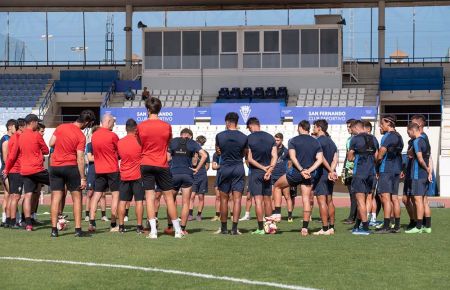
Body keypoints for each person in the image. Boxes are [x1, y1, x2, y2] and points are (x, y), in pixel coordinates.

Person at [137, 97, 182, 239]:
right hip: (162, 164)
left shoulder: (141, 126)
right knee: (169, 198)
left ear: (148, 109)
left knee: (149, 198)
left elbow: (140, 143)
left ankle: (153, 232)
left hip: (146, 163)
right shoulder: (166, 126)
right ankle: (178, 231)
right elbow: (168, 142)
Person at [269, 120, 323, 237]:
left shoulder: (293, 140)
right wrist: (309, 170)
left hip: (297, 173)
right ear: (308, 128)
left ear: (300, 127)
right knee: (306, 199)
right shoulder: (316, 142)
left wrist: (302, 169)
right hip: (309, 174)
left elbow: (292, 157)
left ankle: (277, 213)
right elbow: (320, 159)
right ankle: (304, 228)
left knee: (277, 186)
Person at [49, 110, 95, 237]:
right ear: (86, 122)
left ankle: (54, 230)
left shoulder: (61, 127)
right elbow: (80, 158)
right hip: (70, 167)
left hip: (55, 166)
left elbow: (51, 143)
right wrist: (83, 178)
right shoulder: (81, 136)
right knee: (77, 198)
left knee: (56, 198)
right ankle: (78, 229)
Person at [8, 114, 49, 231]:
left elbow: (13, 155)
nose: (37, 124)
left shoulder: (19, 137)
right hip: (37, 169)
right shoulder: (36, 135)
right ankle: (59, 217)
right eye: (37, 122)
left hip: (24, 170)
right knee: (58, 185)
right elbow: (46, 151)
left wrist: (7, 169)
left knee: (28, 195)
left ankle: (28, 224)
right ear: (33, 122)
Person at [169, 128, 207, 235]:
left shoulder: (173, 141)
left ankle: (171, 226)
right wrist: (197, 168)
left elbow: (167, 157)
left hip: (174, 174)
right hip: (187, 174)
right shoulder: (192, 143)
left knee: (171, 201)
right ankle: (182, 229)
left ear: (181, 134)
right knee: (186, 202)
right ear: (189, 136)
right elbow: (204, 155)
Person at [215, 112, 248, 235]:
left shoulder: (219, 136)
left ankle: (224, 228)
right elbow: (245, 154)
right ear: (237, 122)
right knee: (237, 199)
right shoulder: (244, 137)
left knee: (224, 199)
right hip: (238, 167)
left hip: (225, 168)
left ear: (227, 122)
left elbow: (218, 152)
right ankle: (234, 229)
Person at [89, 113, 120, 232]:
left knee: (96, 195)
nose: (114, 124)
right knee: (115, 195)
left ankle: (92, 222)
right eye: (113, 122)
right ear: (108, 121)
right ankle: (113, 223)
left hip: (99, 169)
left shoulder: (94, 136)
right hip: (112, 169)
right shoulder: (113, 136)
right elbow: (119, 152)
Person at [347, 120, 379, 235]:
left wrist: (355, 156)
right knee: (368, 199)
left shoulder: (354, 139)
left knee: (360, 201)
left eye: (351, 129)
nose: (351, 131)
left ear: (356, 128)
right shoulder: (373, 139)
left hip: (360, 173)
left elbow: (350, 158)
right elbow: (377, 156)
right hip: (371, 173)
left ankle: (365, 227)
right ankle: (357, 225)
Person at [246, 117, 277, 235]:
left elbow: (250, 159)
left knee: (258, 200)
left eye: (249, 128)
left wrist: (262, 168)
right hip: (268, 171)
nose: (249, 130)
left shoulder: (249, 138)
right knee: (268, 199)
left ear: (251, 125)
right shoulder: (270, 137)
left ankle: (260, 228)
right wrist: (269, 169)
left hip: (256, 172)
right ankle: (270, 227)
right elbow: (274, 156)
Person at [375, 115, 404, 234]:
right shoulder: (399, 137)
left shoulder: (388, 136)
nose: (381, 126)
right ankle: (396, 225)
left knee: (385, 198)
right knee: (395, 198)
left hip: (386, 169)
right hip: (396, 169)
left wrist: (377, 161)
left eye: (382, 124)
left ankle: (386, 225)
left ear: (389, 123)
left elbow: (382, 151)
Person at [117, 119, 145, 234]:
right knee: (139, 201)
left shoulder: (120, 142)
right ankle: (139, 226)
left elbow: (119, 156)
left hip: (124, 175)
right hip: (138, 175)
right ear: (136, 128)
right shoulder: (140, 141)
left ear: (126, 128)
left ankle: (121, 226)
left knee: (122, 201)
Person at [405, 122, 432, 234]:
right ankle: (428, 227)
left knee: (418, 200)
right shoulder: (425, 140)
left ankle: (419, 226)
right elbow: (428, 157)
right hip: (425, 175)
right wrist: (429, 172)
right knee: (425, 201)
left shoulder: (416, 141)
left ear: (413, 130)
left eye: (408, 132)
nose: (408, 135)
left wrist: (426, 169)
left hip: (417, 174)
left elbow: (420, 159)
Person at [312, 120, 338, 236]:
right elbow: (335, 158)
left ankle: (325, 228)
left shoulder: (317, 142)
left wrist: (329, 171)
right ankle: (332, 227)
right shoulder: (331, 142)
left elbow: (321, 159)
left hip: (322, 174)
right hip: (329, 175)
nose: (313, 129)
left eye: (314, 127)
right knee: (330, 201)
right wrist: (332, 171)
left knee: (322, 201)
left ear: (319, 128)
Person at [4, 118, 25, 228]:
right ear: (21, 127)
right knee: (16, 197)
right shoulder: (17, 138)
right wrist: (6, 169)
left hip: (13, 170)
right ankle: (13, 222)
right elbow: (11, 156)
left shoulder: (13, 137)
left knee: (12, 196)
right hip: (16, 170)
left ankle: (8, 221)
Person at [84, 127, 108, 223]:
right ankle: (87, 215)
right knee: (90, 193)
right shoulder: (89, 145)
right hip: (92, 172)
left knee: (102, 194)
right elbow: (90, 158)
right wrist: (101, 157)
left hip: (102, 170)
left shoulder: (102, 144)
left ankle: (103, 215)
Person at [271, 133, 294, 222]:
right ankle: (275, 214)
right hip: (273, 175)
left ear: (282, 140)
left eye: (277, 140)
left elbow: (290, 162)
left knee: (287, 196)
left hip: (282, 176)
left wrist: (288, 173)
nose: (276, 142)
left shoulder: (286, 150)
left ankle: (289, 216)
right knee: (272, 197)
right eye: (275, 140)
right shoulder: (272, 149)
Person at [189, 135, 210, 221]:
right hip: (193, 176)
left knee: (201, 196)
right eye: (198, 142)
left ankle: (199, 214)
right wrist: (195, 157)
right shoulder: (192, 152)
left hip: (202, 176)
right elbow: (193, 164)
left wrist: (201, 170)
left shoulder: (205, 153)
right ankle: (190, 214)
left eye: (201, 142)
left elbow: (207, 166)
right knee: (192, 196)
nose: (199, 144)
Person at [1, 119, 17, 227]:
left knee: (7, 195)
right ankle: (9, 219)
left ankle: (4, 219)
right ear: (10, 126)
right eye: (15, 126)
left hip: (7, 169)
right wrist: (7, 170)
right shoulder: (6, 139)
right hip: (7, 169)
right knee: (12, 195)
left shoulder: (10, 138)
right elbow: (6, 158)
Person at [342, 119, 357, 224]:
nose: (348, 129)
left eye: (350, 126)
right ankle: (352, 216)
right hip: (348, 169)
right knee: (351, 194)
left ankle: (353, 217)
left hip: (354, 169)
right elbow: (348, 155)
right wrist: (344, 168)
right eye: (347, 127)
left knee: (354, 194)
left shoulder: (356, 139)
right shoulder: (348, 139)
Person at [210, 151, 221, 221]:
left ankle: (232, 215)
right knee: (218, 196)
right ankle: (217, 215)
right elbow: (213, 167)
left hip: (228, 176)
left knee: (230, 197)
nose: (217, 149)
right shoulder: (215, 154)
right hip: (219, 177)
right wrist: (221, 166)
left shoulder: (228, 151)